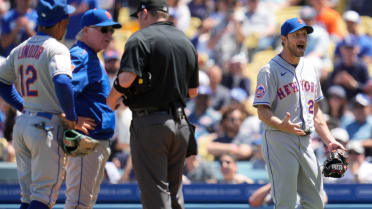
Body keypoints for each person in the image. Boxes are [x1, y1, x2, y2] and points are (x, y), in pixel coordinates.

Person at [106, 0, 199, 208]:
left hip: (150, 123)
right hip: (180, 123)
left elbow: (126, 79)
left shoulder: (140, 38)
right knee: (174, 193)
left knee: (155, 194)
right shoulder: (186, 41)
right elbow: (193, 91)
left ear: (145, 13)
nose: (138, 22)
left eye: (138, 17)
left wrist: (110, 101)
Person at [0, 0, 91, 208]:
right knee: (42, 198)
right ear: (59, 23)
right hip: (46, 128)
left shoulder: (21, 48)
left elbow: (2, 82)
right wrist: (72, 115)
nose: (67, 24)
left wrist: (22, 105)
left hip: (23, 125)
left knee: (27, 197)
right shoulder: (57, 48)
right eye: (65, 20)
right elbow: (61, 80)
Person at [253, 17, 345, 209]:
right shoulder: (269, 70)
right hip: (280, 139)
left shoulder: (310, 68)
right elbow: (262, 112)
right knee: (285, 203)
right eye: (296, 35)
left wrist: (329, 140)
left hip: (306, 141)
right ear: (284, 39)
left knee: (316, 202)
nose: (302, 39)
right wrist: (281, 125)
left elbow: (316, 111)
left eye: (304, 35)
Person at [64, 8, 121, 209]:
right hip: (86, 140)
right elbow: (63, 89)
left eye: (111, 31)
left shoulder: (91, 56)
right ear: (86, 30)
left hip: (97, 140)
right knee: (78, 204)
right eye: (103, 30)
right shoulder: (80, 55)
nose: (109, 35)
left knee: (84, 203)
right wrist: (71, 118)